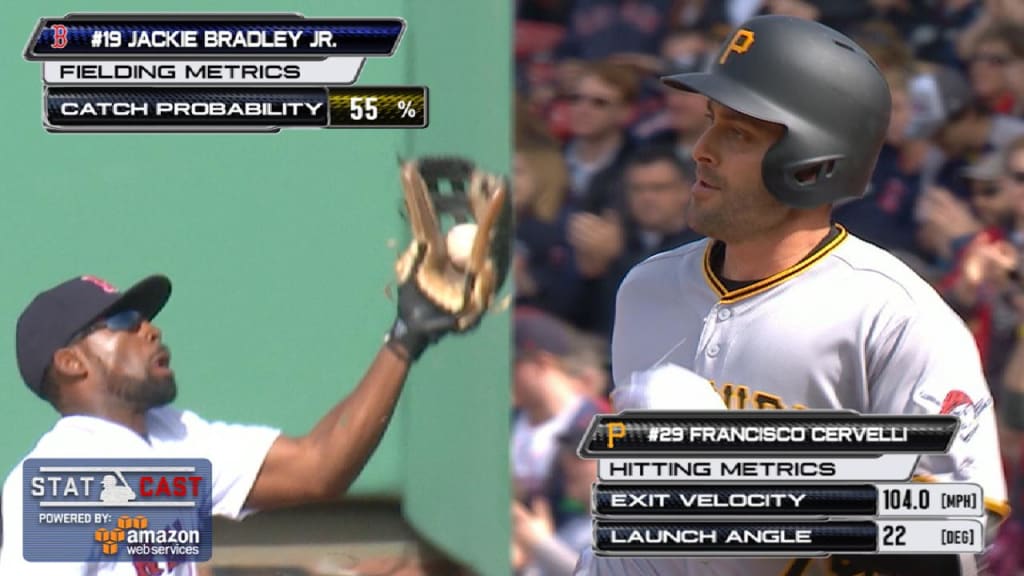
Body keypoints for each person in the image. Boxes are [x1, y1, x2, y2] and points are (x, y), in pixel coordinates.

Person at [574, 15, 1008, 576]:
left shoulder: (895, 315)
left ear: (814, 164)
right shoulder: (646, 289)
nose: (701, 150)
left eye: (737, 133)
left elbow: (957, 532)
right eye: (710, 122)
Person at [0, 268, 487, 575]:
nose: (150, 328)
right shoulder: (56, 479)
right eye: (125, 320)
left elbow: (318, 468)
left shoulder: (175, 435)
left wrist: (404, 338)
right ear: (70, 363)